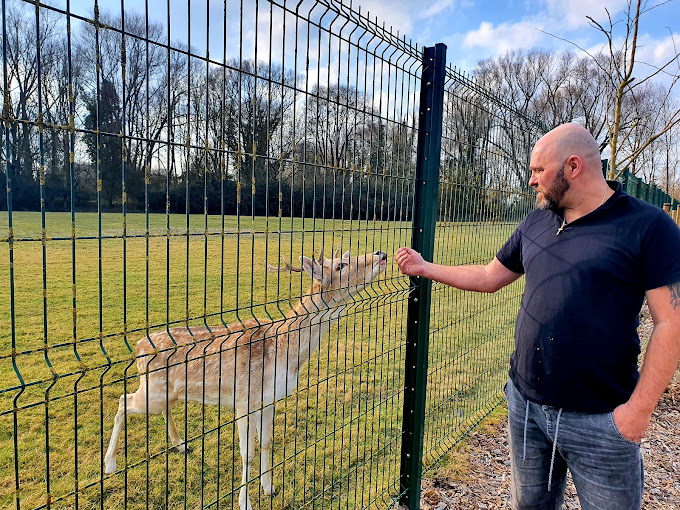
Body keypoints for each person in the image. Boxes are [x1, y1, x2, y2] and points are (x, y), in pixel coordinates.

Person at [395, 123, 680, 510]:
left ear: (574, 166)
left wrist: (636, 414)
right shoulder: (537, 222)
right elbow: (488, 276)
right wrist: (426, 268)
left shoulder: (647, 226)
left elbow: (671, 321)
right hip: (526, 406)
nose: (531, 181)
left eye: (538, 170)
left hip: (602, 420)